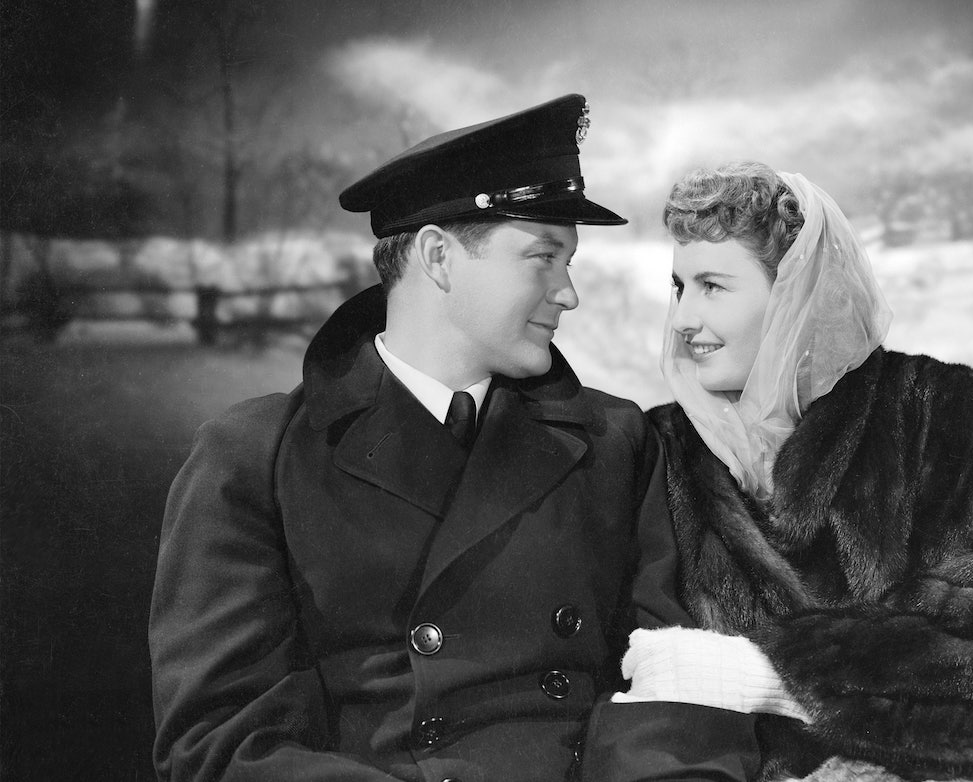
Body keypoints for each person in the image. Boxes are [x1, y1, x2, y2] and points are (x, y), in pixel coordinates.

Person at [148, 96, 761, 782]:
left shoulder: (616, 441)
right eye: (542, 257)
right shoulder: (252, 457)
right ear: (439, 256)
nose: (569, 293)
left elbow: (670, 687)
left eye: (570, 262)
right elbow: (223, 743)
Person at [595, 162, 973, 782]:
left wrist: (762, 671)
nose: (685, 318)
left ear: (798, 294)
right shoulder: (660, 448)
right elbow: (638, 670)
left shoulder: (967, 418)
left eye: (714, 287)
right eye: (679, 287)